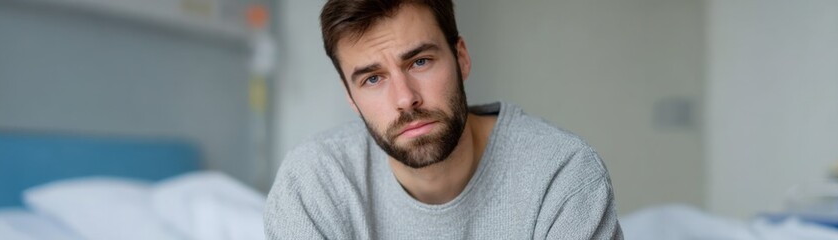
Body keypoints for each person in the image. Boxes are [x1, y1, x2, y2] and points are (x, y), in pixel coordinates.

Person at [264, 0, 623, 239]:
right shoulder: (314, 180)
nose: (405, 99)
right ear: (351, 98)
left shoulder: (561, 173)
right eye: (373, 79)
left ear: (461, 58)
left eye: (420, 61)